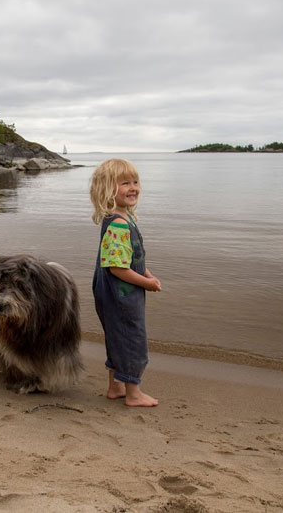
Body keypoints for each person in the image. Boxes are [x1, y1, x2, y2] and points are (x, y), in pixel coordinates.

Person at [90, 158, 162, 407]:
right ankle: (133, 394)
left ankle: (115, 387)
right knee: (132, 339)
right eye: (124, 183)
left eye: (135, 182)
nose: (133, 188)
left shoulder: (121, 217)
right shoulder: (119, 225)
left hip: (112, 291)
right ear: (108, 190)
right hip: (121, 293)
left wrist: (147, 273)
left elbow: (127, 258)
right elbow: (118, 268)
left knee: (117, 336)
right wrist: (146, 283)